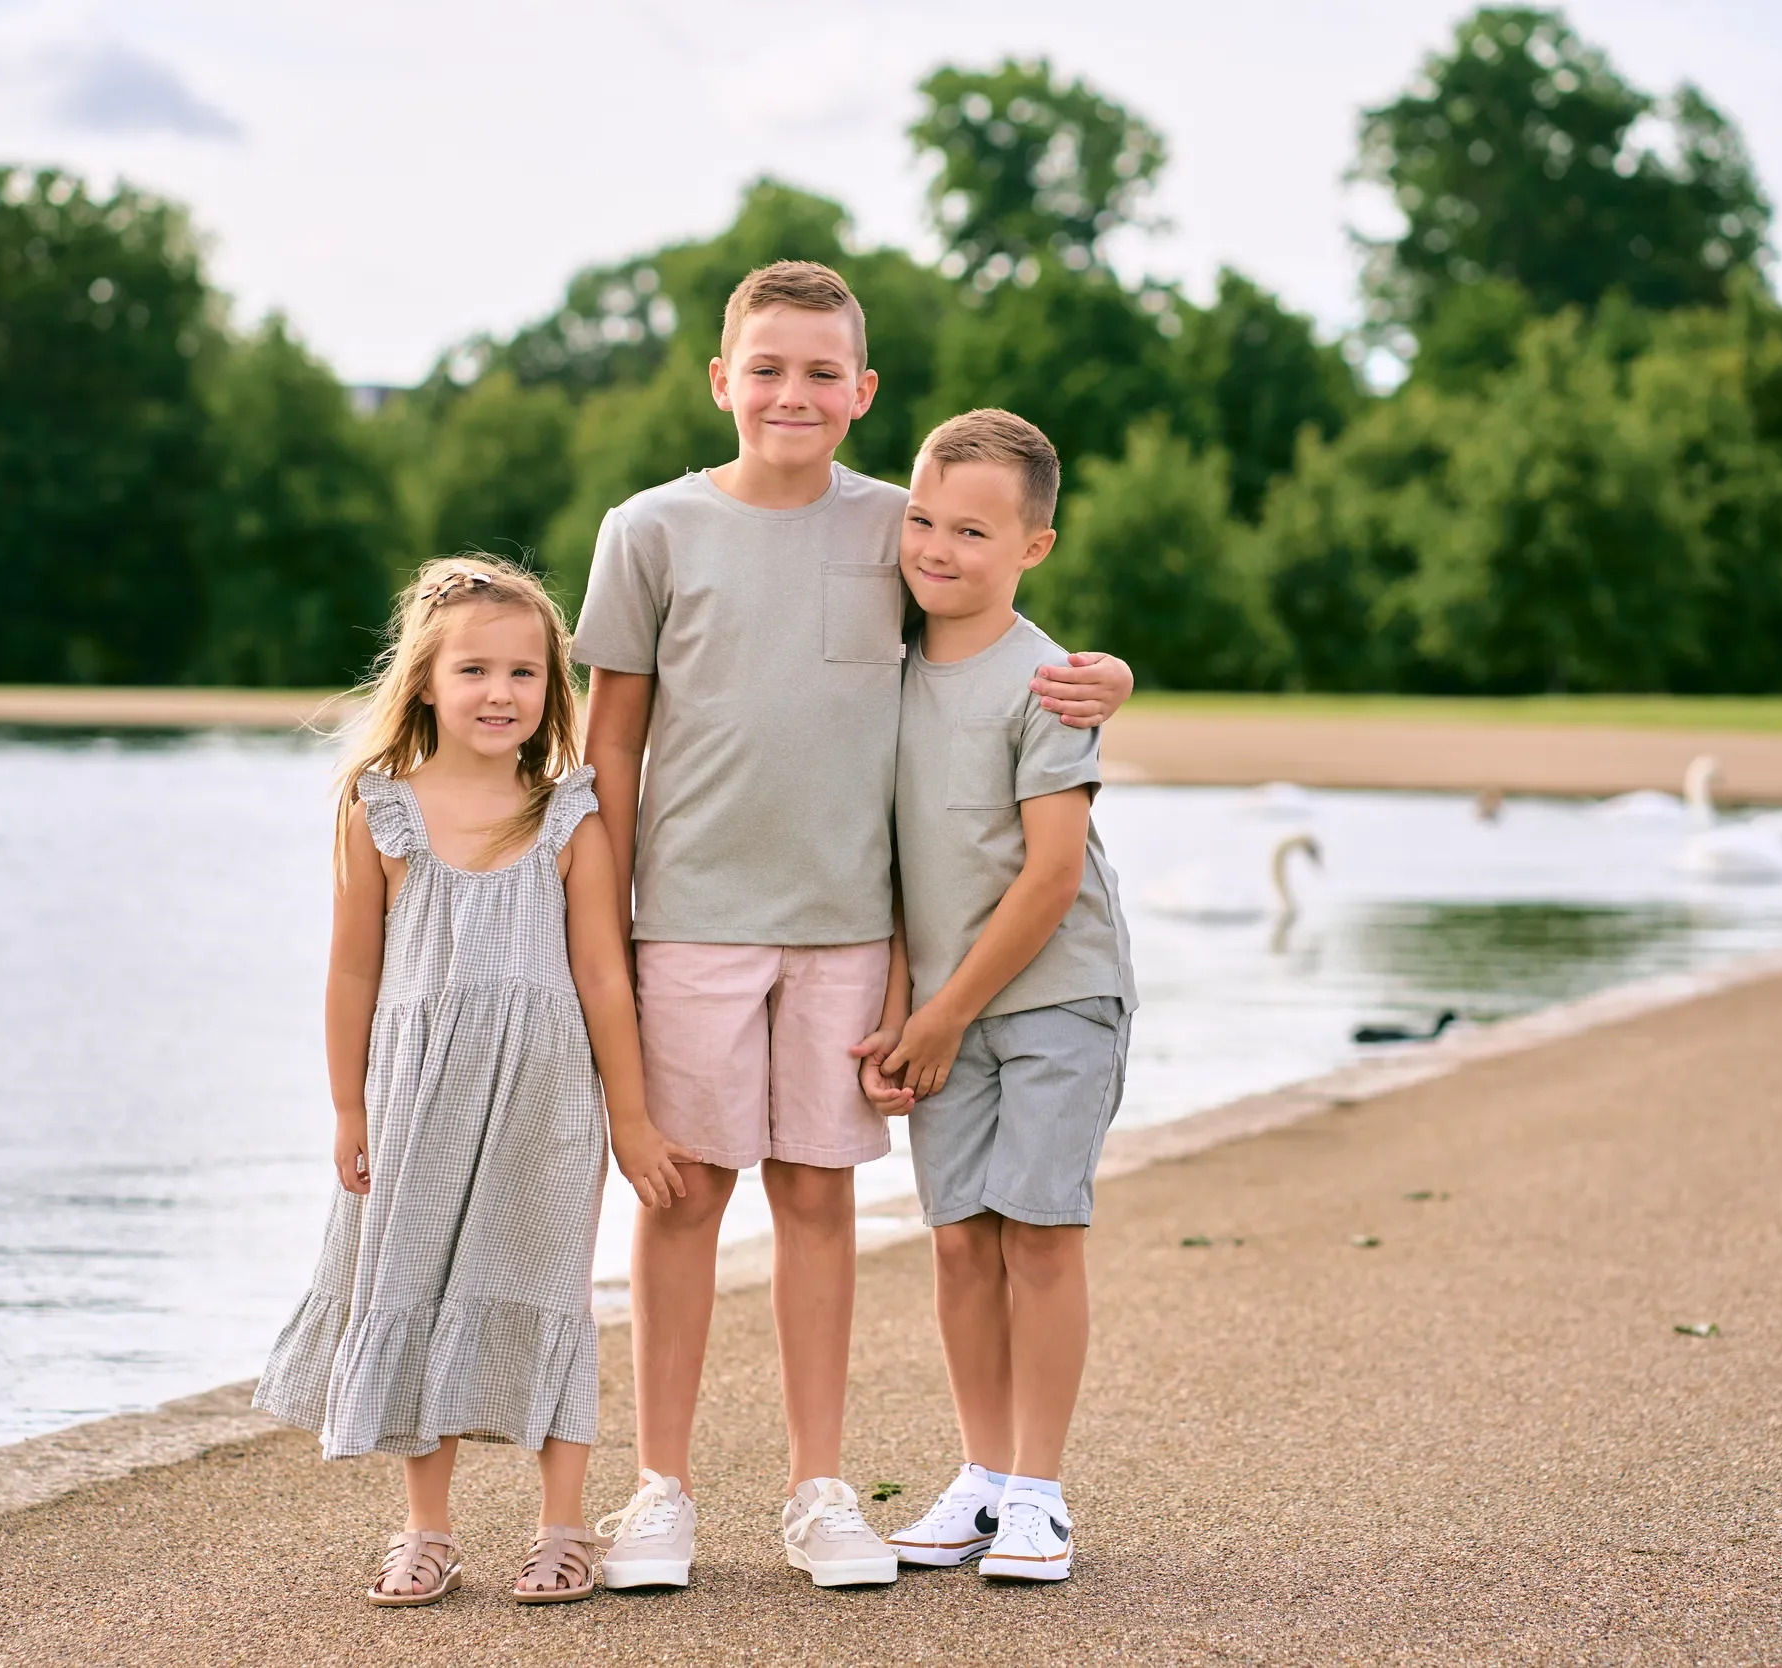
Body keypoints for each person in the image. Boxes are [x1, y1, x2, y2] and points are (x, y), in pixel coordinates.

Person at [574, 263, 1136, 1591]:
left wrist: (1114, 676)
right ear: (721, 381)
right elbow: (606, 763)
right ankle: (662, 1490)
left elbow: (1003, 639)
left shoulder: (900, 527)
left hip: (846, 934)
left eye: (824, 372)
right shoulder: (646, 530)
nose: (793, 393)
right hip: (689, 925)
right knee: (683, 1196)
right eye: (767, 367)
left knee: (819, 1198)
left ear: (864, 393)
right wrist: (598, 939)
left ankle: (821, 1490)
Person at [254, 557, 696, 1608]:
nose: (501, 693)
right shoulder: (379, 810)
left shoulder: (567, 813)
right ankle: (426, 1530)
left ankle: (562, 1526)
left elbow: (601, 971)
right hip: (416, 1094)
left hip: (545, 1099)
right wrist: (347, 1106)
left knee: (547, 1291)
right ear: (424, 682)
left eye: (525, 674)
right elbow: (353, 965)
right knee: (409, 1284)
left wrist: (629, 1119)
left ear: (553, 689)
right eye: (475, 671)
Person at [872, 410, 1136, 1585]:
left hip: (1053, 996)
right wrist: (908, 1006)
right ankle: (980, 1482)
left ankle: (1039, 1491)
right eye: (922, 520)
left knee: (1037, 1232)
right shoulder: (885, 658)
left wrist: (944, 1013)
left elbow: (1052, 877)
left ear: (1032, 547)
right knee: (957, 1244)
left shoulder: (1048, 683)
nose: (937, 547)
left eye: (971, 531)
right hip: (947, 1008)